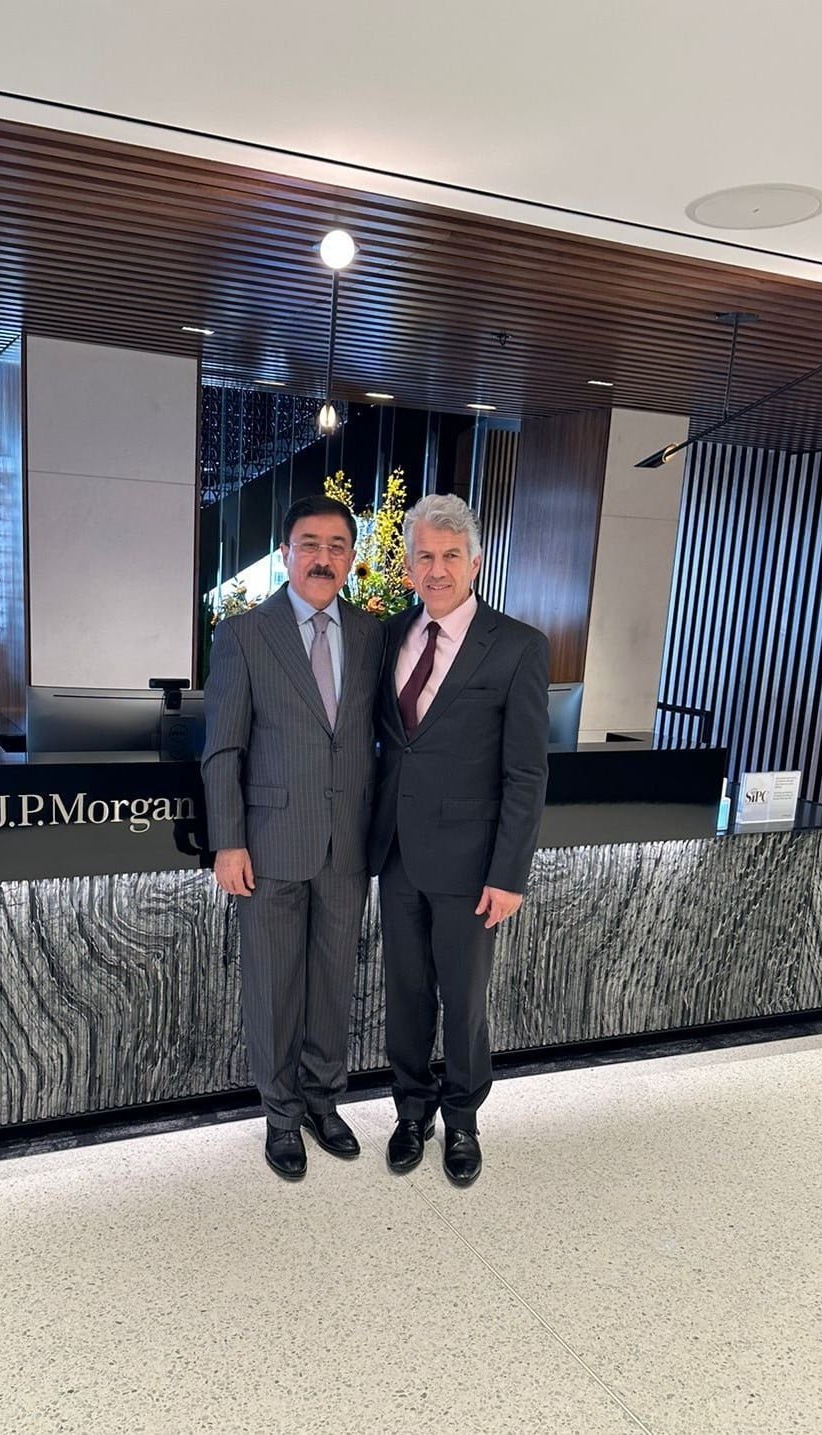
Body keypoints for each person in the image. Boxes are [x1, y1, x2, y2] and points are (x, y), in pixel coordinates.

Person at [368, 493, 549, 1186]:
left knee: (464, 1000)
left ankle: (464, 1119)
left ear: (475, 562)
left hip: (473, 865)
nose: (436, 569)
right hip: (396, 852)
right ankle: (410, 1111)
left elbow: (526, 772)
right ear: (408, 565)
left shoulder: (518, 646)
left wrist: (509, 873)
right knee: (406, 992)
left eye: (450, 555)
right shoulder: (388, 635)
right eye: (424, 556)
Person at [202, 496, 384, 1180]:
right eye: (310, 544)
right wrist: (228, 841)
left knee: (334, 982)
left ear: (351, 558)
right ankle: (281, 1116)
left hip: (347, 843)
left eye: (337, 546)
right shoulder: (244, 634)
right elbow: (223, 749)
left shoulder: (372, 634)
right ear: (286, 553)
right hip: (270, 842)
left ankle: (323, 1100)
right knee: (275, 986)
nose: (323, 557)